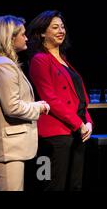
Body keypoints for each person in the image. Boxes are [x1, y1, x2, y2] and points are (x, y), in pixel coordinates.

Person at [0, 15, 50, 191]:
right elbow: (13, 106)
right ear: (11, 37)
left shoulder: (4, 64)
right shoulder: (2, 65)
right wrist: (38, 107)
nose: (26, 38)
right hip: (7, 147)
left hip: (11, 146)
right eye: (23, 34)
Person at [27, 10, 93, 191]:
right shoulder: (40, 60)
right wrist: (78, 123)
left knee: (75, 185)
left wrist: (88, 122)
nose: (61, 30)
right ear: (42, 33)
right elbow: (51, 99)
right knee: (54, 185)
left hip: (77, 131)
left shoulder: (64, 60)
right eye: (55, 27)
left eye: (62, 27)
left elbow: (79, 98)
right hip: (57, 134)